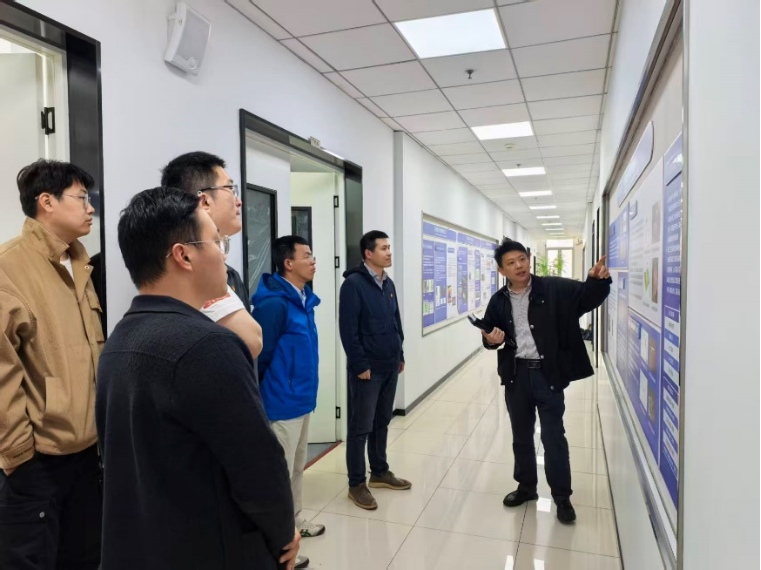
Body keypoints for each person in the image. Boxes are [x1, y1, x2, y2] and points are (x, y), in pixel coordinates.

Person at [96, 187, 300, 570]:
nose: (223, 254)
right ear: (184, 255)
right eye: (216, 241)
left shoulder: (118, 342)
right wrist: (283, 533)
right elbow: (258, 466)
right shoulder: (209, 345)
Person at [0, 160, 103, 569]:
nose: (91, 208)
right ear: (47, 202)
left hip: (87, 454)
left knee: (85, 558)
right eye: (82, 198)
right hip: (37, 461)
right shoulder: (9, 267)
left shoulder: (80, 263)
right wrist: (19, 455)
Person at [480, 239, 611, 524]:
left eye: (522, 259)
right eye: (511, 263)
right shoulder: (498, 300)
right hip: (516, 376)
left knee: (553, 437)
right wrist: (490, 339)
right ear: (502, 270)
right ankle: (526, 487)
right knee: (521, 436)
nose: (519, 266)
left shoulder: (554, 288)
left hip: (547, 375)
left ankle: (562, 497)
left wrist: (597, 281)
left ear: (529, 259)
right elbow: (490, 336)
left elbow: (586, 297)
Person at [252, 235, 325, 541]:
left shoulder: (304, 300)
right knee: (277, 473)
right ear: (288, 263)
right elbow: (259, 356)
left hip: (302, 400)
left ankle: (294, 522)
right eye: (306, 255)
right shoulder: (274, 304)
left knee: (296, 467)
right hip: (280, 403)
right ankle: (277, 536)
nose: (313, 261)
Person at [160, 151, 263, 366]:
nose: (239, 202)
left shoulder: (228, 273)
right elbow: (252, 340)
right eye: (230, 189)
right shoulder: (187, 267)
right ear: (204, 200)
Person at [338, 230, 410, 511]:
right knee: (360, 428)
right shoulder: (353, 284)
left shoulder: (387, 282)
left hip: (389, 363)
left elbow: (395, 321)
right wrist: (360, 364)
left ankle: (379, 472)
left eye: (389, 247)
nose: (389, 252)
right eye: (383, 248)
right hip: (367, 369)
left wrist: (399, 354)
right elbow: (348, 329)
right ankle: (356, 484)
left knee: (382, 422)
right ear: (368, 253)